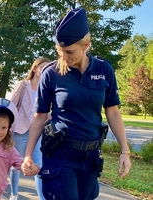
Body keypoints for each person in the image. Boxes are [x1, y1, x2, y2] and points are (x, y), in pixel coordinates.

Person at [21, 8, 132, 200]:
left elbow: (112, 111)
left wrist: (125, 151)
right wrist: (28, 154)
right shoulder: (51, 73)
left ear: (86, 44)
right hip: (60, 154)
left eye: (69, 51)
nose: (64, 56)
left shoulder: (104, 69)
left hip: (90, 156)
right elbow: (40, 115)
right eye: (60, 51)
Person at [9, 57, 50, 200]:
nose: (45, 71)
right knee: (18, 165)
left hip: (38, 132)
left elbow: (46, 112)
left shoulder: (47, 88)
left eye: (47, 68)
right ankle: (14, 194)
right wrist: (7, 129)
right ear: (35, 68)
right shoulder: (22, 85)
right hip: (20, 130)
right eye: (42, 68)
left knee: (38, 166)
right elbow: (12, 106)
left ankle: (42, 197)